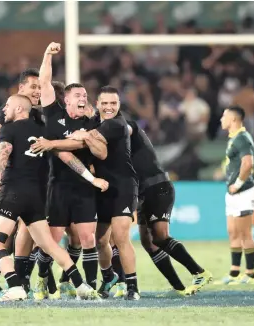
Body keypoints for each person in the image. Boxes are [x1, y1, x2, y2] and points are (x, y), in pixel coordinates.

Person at [0, 94, 99, 302]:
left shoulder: (8, 129)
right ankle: (81, 285)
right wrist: (91, 178)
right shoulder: (44, 133)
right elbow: (67, 156)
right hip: (37, 198)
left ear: (19, 109)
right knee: (49, 245)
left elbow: (2, 156)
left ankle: (15, 286)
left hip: (12, 194)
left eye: (7, 106)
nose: (4, 109)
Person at [29, 42, 109, 300]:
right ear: (66, 99)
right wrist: (46, 55)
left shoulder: (91, 122)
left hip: (84, 188)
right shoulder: (54, 113)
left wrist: (84, 137)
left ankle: (90, 287)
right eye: (77, 95)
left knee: (88, 239)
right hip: (59, 186)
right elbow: (44, 81)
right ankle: (42, 278)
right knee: (51, 242)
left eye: (85, 94)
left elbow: (92, 144)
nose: (83, 97)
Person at [112, 119, 212, 297]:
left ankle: (199, 272)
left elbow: (124, 130)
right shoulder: (118, 147)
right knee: (148, 242)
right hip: (144, 192)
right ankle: (179, 288)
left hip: (158, 188)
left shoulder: (128, 127)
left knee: (159, 237)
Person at [67, 86, 140, 300]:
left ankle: (132, 287)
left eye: (113, 104)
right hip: (103, 187)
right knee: (99, 240)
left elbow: (101, 152)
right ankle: (109, 276)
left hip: (123, 187)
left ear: (119, 106)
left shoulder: (118, 124)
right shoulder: (96, 123)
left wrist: (84, 136)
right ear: (97, 104)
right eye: (105, 103)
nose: (109, 107)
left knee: (121, 236)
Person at [0, 68, 43, 299]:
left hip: (37, 182)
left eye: (39, 87)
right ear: (21, 89)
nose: (37, 91)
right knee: (8, 231)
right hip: (12, 181)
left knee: (29, 232)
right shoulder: (10, 111)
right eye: (32, 87)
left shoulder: (43, 113)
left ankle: (13, 278)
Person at [216, 105, 254, 285]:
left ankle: (250, 274)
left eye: (224, 116)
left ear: (233, 119)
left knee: (245, 233)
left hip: (243, 192)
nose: (221, 119)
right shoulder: (234, 138)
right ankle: (234, 273)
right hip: (233, 193)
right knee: (233, 232)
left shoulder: (242, 138)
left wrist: (238, 184)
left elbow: (247, 163)